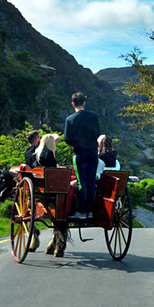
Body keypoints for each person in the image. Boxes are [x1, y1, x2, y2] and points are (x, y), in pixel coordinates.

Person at [63, 92, 100, 220]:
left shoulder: (70, 119)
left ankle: (82, 210)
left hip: (79, 153)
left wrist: (77, 143)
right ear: (84, 102)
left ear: (73, 104)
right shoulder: (94, 116)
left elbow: (67, 139)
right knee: (91, 181)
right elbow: (97, 133)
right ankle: (91, 210)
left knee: (81, 182)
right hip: (93, 153)